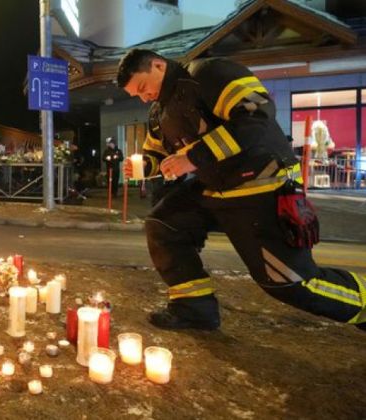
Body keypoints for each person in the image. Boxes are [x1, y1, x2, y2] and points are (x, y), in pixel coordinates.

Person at [116, 48, 365, 331]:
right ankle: (194, 309)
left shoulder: (210, 73)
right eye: (136, 95)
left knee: (289, 282)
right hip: (214, 187)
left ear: (158, 66)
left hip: (262, 185)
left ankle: (363, 303)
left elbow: (256, 115)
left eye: (142, 87)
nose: (144, 97)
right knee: (164, 225)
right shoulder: (159, 112)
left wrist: (193, 158)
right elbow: (158, 154)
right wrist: (143, 167)